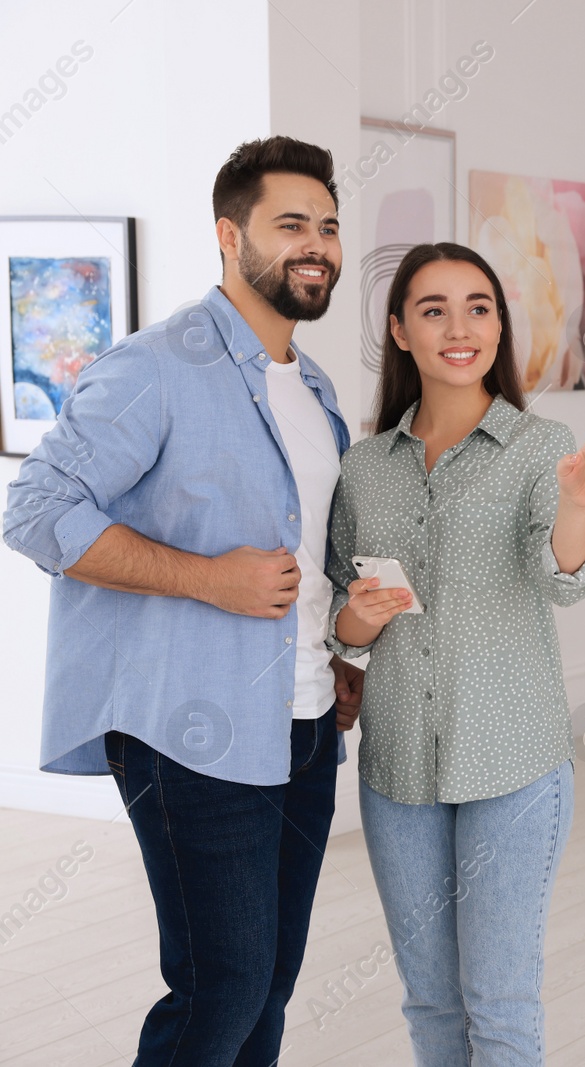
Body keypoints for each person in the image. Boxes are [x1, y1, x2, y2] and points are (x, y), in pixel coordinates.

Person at [2, 137, 362, 1063]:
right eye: (291, 225)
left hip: (305, 721)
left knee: (270, 983)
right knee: (221, 983)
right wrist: (207, 578)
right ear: (228, 234)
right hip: (187, 725)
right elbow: (34, 510)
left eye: (326, 225)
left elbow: (307, 549)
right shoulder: (157, 365)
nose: (315, 244)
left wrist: (334, 654)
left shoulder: (313, 387)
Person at [325, 242, 585, 1063]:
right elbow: (340, 629)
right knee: (431, 1003)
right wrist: (357, 620)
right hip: (398, 771)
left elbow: (563, 579)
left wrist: (576, 502)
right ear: (400, 331)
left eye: (479, 307)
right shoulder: (362, 468)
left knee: (498, 1005)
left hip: (513, 767)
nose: (461, 328)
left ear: (498, 325)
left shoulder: (541, 447)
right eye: (435, 309)